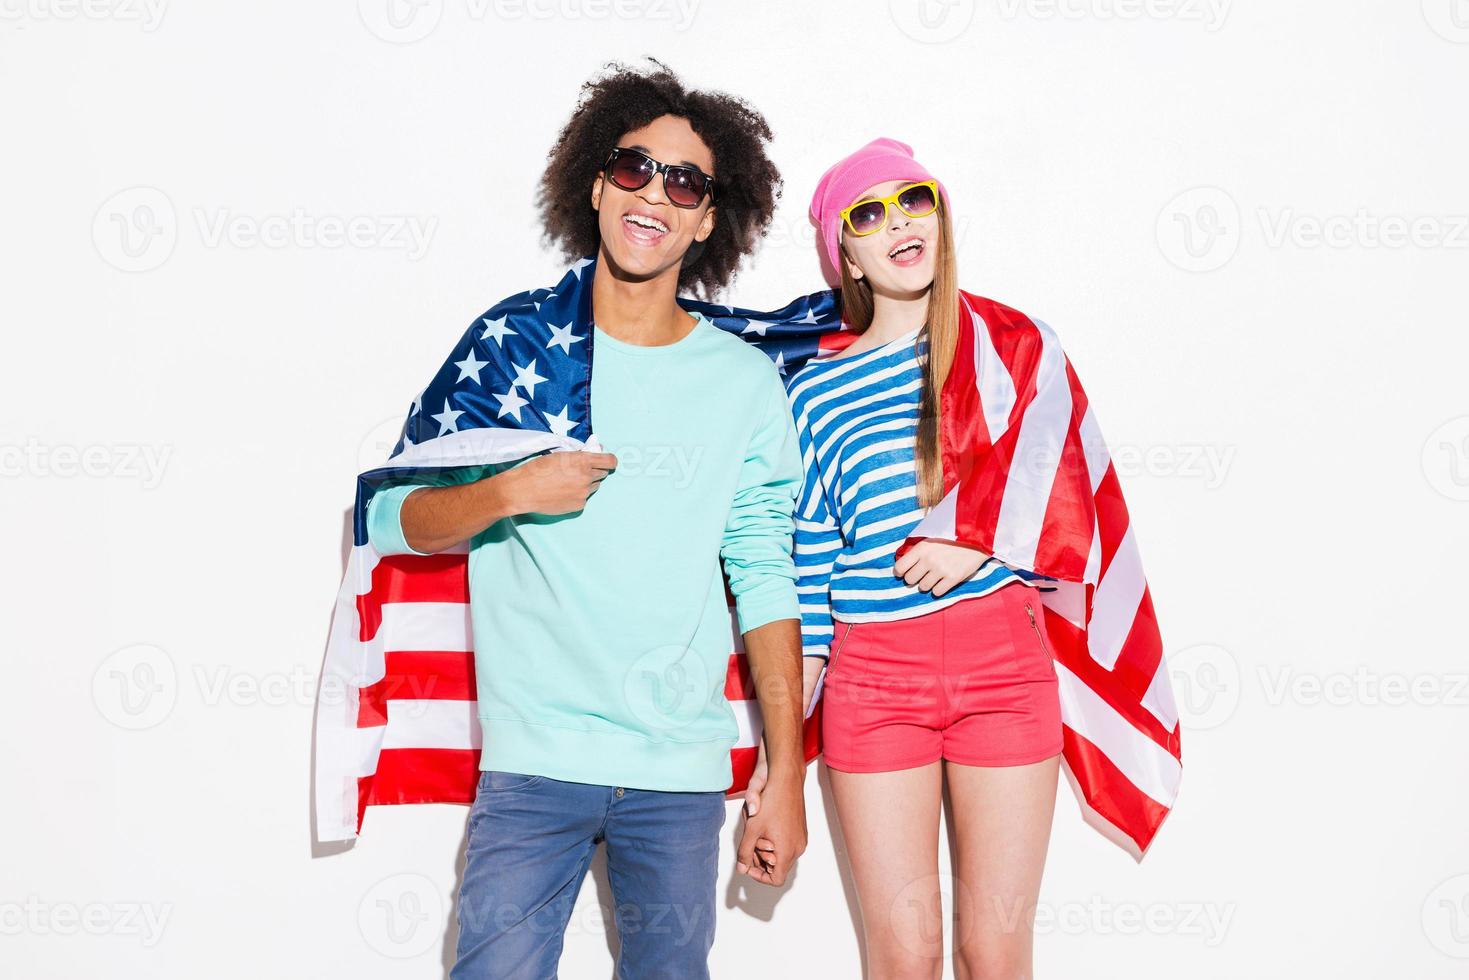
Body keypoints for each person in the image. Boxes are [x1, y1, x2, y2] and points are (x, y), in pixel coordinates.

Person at [365, 62, 809, 979]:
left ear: (706, 217)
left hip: (678, 772)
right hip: (534, 763)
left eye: (684, 181)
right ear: (599, 182)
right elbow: (387, 517)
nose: (655, 192)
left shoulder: (741, 383)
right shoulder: (517, 347)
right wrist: (507, 492)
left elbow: (763, 574)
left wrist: (788, 774)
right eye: (634, 166)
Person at [789, 139, 1065, 978]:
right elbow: (806, 559)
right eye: (866, 214)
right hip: (871, 678)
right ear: (848, 257)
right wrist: (775, 755)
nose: (899, 221)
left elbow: (1065, 495)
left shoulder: (1007, 344)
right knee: (905, 956)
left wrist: (977, 541)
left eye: (915, 199)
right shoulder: (810, 391)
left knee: (993, 949)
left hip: (1002, 665)